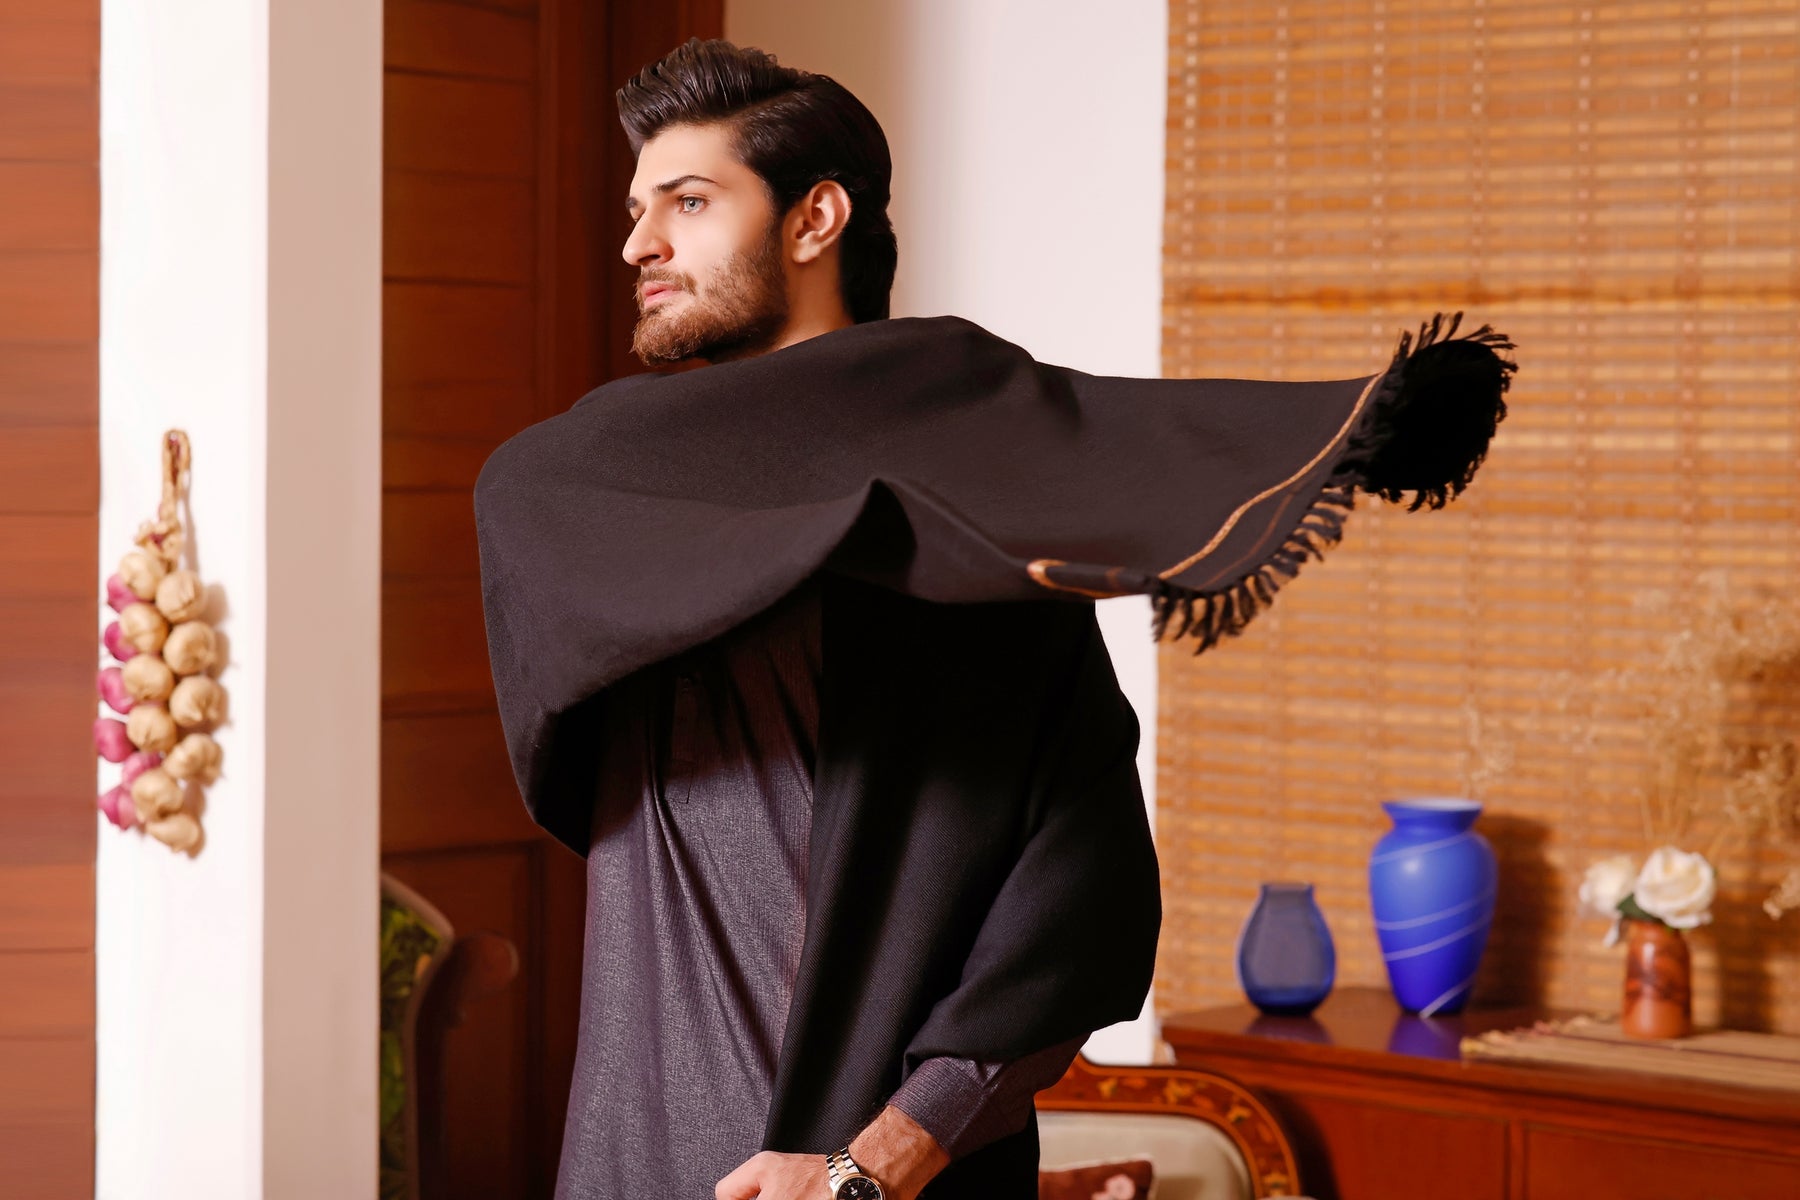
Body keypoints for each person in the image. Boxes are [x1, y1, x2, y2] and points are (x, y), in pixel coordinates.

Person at [473, 36, 1514, 1200]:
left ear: (815, 220)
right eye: (637, 209)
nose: (639, 243)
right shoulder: (604, 507)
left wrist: (877, 1159)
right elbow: (532, 517)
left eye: (689, 201)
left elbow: (1084, 893)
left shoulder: (964, 522)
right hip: (635, 1159)